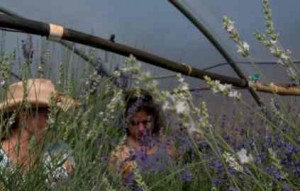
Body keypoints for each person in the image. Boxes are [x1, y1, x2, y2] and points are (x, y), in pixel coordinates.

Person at [0, 79, 77, 188]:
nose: (53, 122)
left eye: (55, 116)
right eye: (47, 116)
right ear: (25, 115)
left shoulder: (59, 151)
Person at [108, 89, 176, 187]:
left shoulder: (167, 145)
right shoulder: (118, 155)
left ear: (155, 119)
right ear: (125, 122)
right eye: (134, 123)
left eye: (146, 122)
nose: (141, 129)